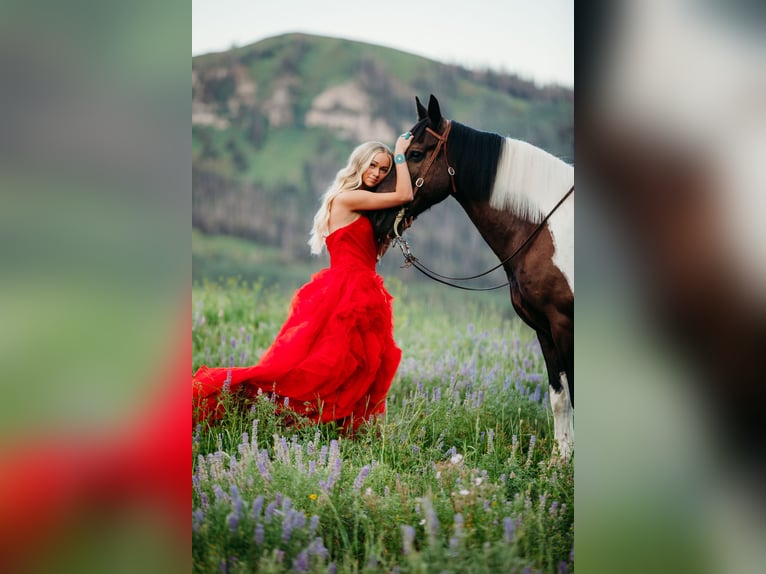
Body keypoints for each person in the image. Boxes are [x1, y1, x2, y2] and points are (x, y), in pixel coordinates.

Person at [193, 134, 415, 430]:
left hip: (363, 290)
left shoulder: (361, 205)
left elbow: (369, 257)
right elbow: (405, 196)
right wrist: (400, 154)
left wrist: (388, 236)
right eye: (373, 166)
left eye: (384, 170)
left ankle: (340, 426)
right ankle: (246, 406)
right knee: (320, 366)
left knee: (361, 365)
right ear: (359, 165)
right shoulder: (347, 198)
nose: (377, 173)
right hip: (344, 292)